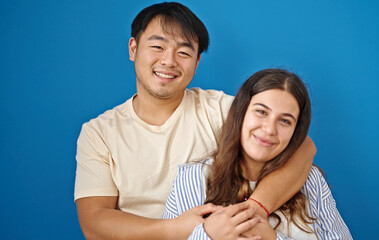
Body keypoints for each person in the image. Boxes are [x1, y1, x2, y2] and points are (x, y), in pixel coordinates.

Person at [74, 2, 316, 240]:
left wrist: (254, 210)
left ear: (197, 62)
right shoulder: (99, 132)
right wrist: (178, 229)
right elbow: (94, 223)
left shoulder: (218, 109)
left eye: (183, 52)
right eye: (157, 46)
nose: (169, 61)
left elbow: (302, 147)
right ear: (133, 49)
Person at [163, 69, 352, 240]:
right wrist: (208, 235)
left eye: (285, 121)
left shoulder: (311, 181)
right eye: (261, 112)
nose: (270, 129)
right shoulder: (192, 178)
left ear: (296, 131)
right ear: (241, 112)